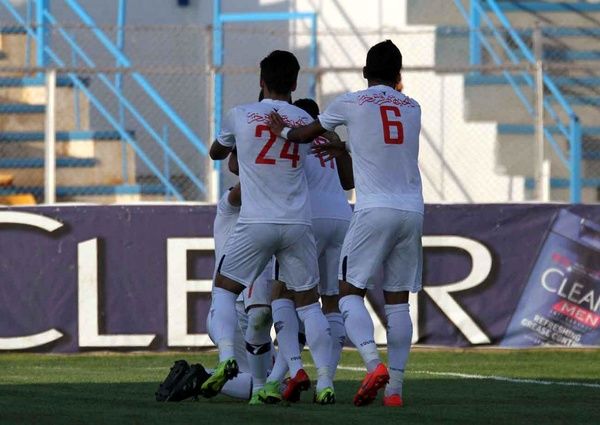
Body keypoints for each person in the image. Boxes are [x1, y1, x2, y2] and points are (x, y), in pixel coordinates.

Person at [268, 40, 423, 408]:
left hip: (373, 209)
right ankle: (395, 391)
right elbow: (387, 145)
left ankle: (372, 362)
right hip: (413, 210)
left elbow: (306, 134)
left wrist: (282, 131)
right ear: (399, 75)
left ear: (365, 72)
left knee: (347, 292)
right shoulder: (413, 107)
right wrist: (347, 150)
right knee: (399, 303)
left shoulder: (351, 102)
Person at [205, 50, 336, 405]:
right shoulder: (306, 119)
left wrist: (233, 141)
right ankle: (326, 382)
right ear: (295, 83)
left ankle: (226, 357)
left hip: (256, 221)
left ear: (261, 81)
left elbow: (217, 153)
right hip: (297, 223)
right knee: (309, 305)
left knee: (225, 290)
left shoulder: (240, 114)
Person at [259, 99, 354, 404]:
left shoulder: (292, 137)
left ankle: (285, 374)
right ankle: (325, 381)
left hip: (308, 218)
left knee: (283, 293)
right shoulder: (331, 137)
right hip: (342, 217)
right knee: (331, 301)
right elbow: (349, 181)